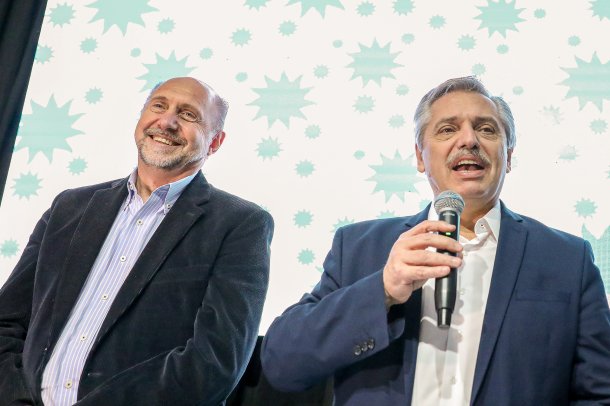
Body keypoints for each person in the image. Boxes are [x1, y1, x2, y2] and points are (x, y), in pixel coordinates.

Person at [261, 77, 610, 405]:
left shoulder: (567, 260)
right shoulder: (358, 247)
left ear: (509, 155)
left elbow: (599, 394)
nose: (469, 140)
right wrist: (382, 289)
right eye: (447, 129)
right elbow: (282, 364)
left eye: (486, 129)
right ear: (419, 157)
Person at [0, 77, 274, 405]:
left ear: (215, 142)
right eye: (159, 106)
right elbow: (6, 323)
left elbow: (214, 362)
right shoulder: (69, 207)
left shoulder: (240, 224)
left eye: (188, 115)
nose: (167, 122)